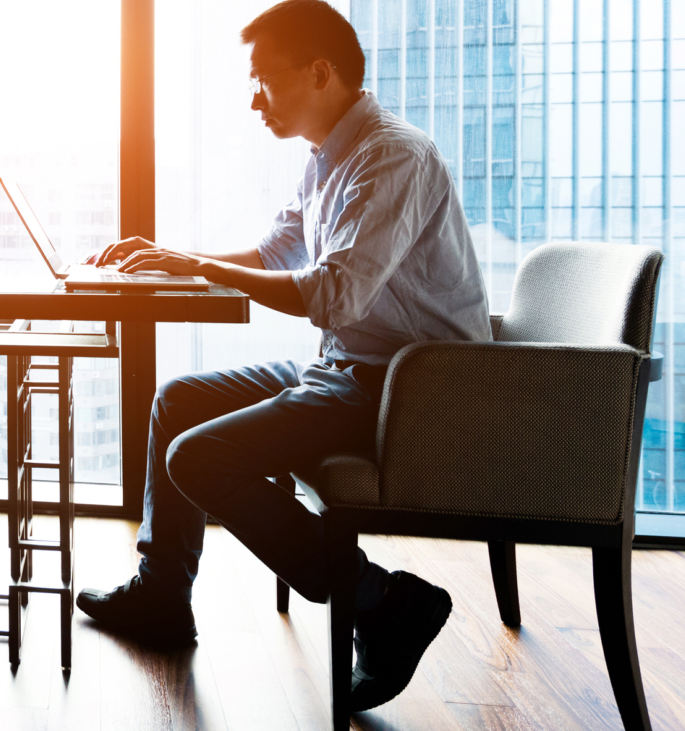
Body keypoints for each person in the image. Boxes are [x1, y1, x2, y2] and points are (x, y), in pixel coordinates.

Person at [77, 0, 491, 712]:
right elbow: (277, 254)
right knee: (179, 398)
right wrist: (174, 261)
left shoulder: (391, 155)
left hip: (407, 393)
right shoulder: (329, 156)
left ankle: (379, 598)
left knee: (197, 457)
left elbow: (330, 294)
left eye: (265, 79)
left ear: (320, 72)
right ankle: (162, 595)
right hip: (350, 367)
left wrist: (194, 263)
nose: (253, 98)